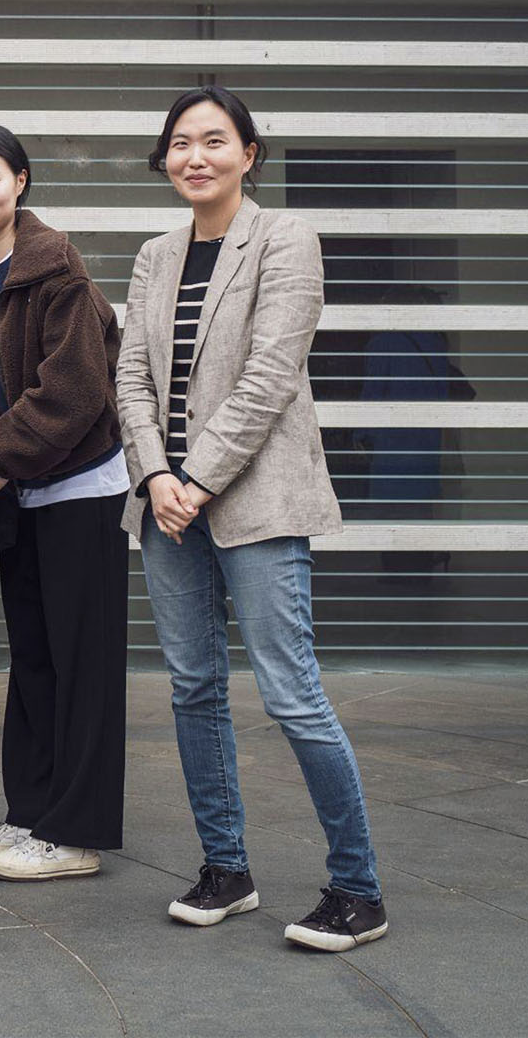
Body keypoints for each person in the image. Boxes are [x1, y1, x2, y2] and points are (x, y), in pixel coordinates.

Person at [115, 85, 387, 953]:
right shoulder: (156, 254)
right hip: (165, 508)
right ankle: (225, 868)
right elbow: (132, 380)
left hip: (257, 502)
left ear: (248, 153)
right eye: (181, 143)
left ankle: (358, 889)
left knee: (290, 693)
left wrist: (193, 478)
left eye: (214, 140)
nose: (196, 156)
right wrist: (156, 473)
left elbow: (271, 375)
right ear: (165, 158)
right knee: (193, 689)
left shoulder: (286, 238)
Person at [0, 125, 129, 884]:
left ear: (21, 184)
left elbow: (75, 390)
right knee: (33, 658)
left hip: (78, 487)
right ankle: (33, 812)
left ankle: (77, 832)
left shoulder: (56, 268)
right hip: (20, 489)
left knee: (83, 664)